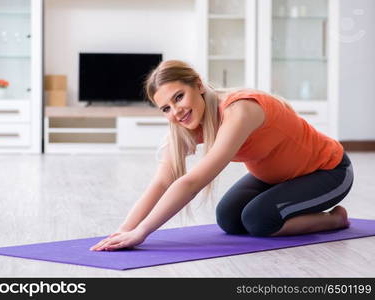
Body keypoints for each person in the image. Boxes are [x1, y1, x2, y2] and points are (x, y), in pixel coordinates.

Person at [90, 60, 353, 252]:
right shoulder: (187, 124)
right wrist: (125, 229)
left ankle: (333, 220)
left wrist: (142, 233)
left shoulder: (240, 111)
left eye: (179, 97)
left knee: (258, 220)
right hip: (275, 178)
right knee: (228, 218)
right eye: (166, 108)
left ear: (198, 85)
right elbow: (162, 181)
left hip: (328, 172)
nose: (176, 111)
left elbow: (191, 183)